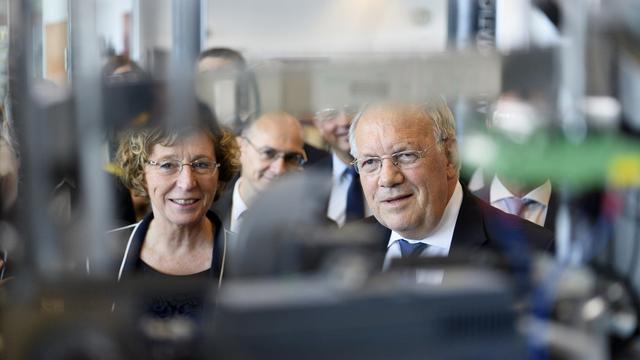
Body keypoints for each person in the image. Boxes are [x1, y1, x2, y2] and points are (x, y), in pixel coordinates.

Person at [348, 99, 554, 278]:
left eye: (406, 155)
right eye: (370, 162)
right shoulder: (344, 250)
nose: (388, 178)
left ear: (449, 156)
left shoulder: (530, 252)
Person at [110, 102, 239, 318]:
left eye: (201, 164)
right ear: (142, 172)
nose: (187, 183)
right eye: (167, 165)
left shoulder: (247, 259)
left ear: (219, 173)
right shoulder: (100, 257)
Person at [212, 111, 307, 232]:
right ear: (239, 149)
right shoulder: (204, 213)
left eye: (291, 158)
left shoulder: (318, 228)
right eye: (268, 153)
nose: (279, 169)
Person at [311, 105, 367, 227]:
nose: (344, 121)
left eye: (352, 109)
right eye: (331, 114)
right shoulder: (308, 179)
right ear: (318, 125)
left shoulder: (393, 172)